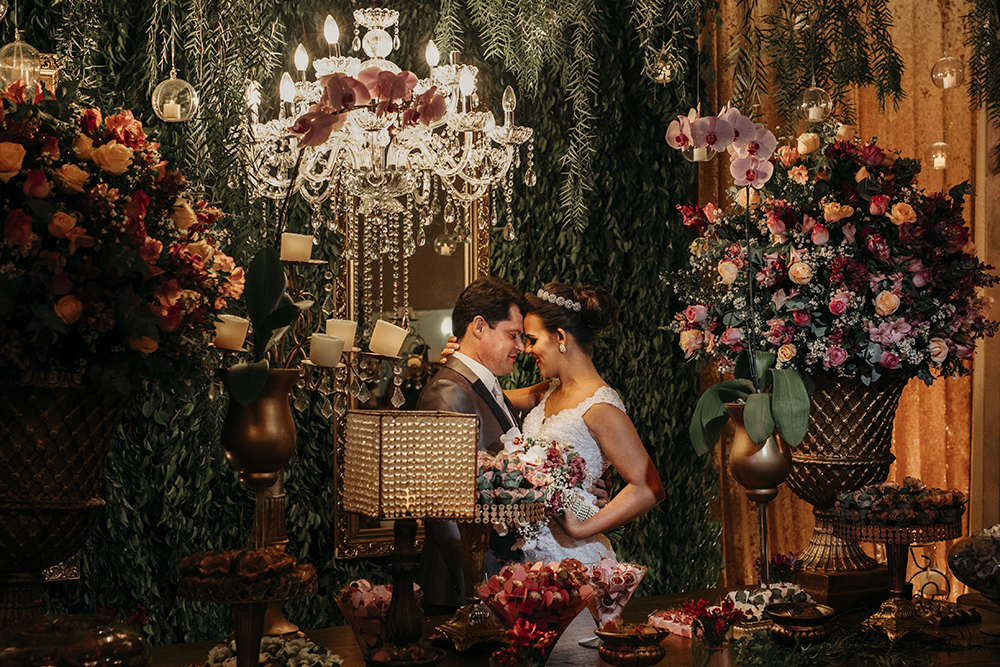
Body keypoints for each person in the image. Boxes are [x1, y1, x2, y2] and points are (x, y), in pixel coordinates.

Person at [445, 281, 665, 566]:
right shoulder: (546, 392)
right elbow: (483, 396)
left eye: (532, 339)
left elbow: (648, 487)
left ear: (560, 337)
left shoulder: (600, 407)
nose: (526, 349)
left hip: (574, 559)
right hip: (529, 559)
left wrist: (581, 527)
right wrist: (460, 363)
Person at [414, 276, 528, 615]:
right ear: (479, 326)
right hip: (462, 597)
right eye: (513, 334)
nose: (520, 346)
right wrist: (479, 591)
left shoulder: (484, 387)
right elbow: (442, 508)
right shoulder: (448, 392)